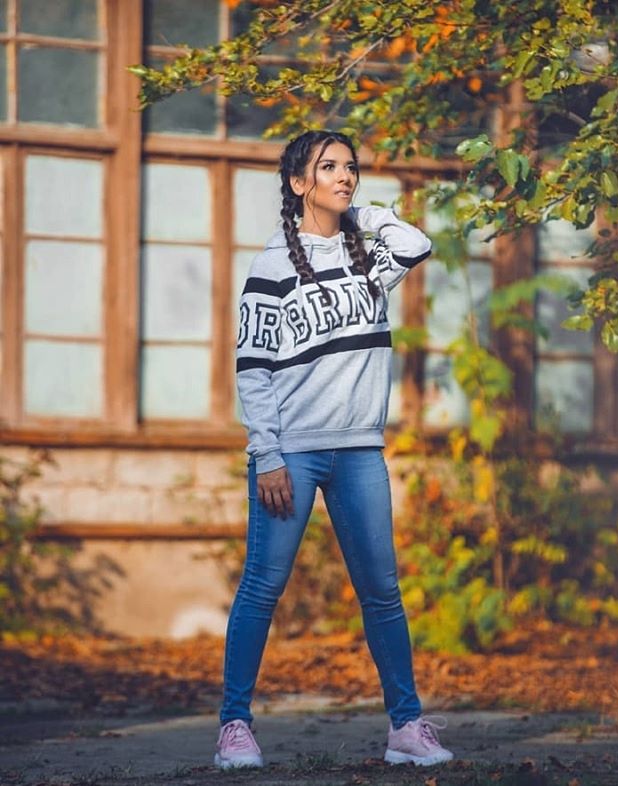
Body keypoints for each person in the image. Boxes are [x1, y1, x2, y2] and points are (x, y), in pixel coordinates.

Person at [214, 129, 453, 770]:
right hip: (291, 452)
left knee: (382, 592)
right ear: (299, 183)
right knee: (262, 588)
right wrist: (266, 453)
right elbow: (253, 369)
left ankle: (406, 727)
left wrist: (361, 214)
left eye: (350, 167)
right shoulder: (271, 267)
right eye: (328, 168)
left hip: (359, 451)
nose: (344, 176)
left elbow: (416, 242)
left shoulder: (366, 258)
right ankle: (234, 727)